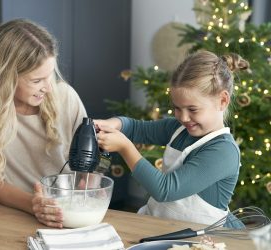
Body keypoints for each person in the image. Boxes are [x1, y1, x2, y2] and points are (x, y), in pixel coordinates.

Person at [0, 19, 87, 228]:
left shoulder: (65, 97)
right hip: (13, 214)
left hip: (65, 214)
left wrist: (86, 183)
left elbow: (89, 163)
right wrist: (34, 205)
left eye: (50, 76)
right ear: (6, 78)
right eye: (37, 80)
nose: (48, 88)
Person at [95, 51, 249, 226]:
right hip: (159, 224)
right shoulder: (179, 129)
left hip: (200, 238)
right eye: (177, 108)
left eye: (192, 109)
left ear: (222, 100)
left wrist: (125, 148)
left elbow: (165, 190)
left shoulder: (224, 152)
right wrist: (111, 124)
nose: (183, 117)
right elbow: (137, 128)